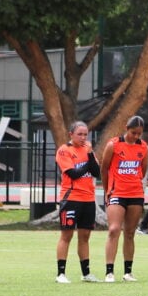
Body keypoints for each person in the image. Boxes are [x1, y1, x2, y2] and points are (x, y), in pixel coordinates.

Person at [100, 116, 148, 283]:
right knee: (114, 229)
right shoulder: (114, 145)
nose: (136, 136)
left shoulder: (143, 147)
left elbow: (142, 170)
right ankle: (109, 272)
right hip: (117, 193)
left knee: (129, 232)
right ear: (126, 128)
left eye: (139, 134)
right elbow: (104, 168)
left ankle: (128, 271)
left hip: (135, 194)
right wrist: (108, 190)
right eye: (133, 132)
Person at [55, 121, 101, 283]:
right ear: (71, 134)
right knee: (66, 235)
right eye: (79, 134)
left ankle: (86, 273)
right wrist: (88, 163)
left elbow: (96, 172)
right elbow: (74, 174)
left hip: (88, 199)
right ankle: (61, 273)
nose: (83, 137)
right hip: (71, 199)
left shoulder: (88, 151)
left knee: (85, 236)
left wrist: (89, 155)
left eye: (85, 134)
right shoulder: (64, 151)